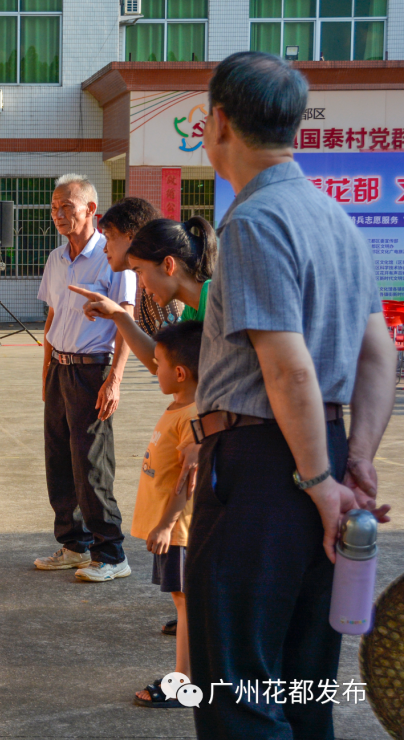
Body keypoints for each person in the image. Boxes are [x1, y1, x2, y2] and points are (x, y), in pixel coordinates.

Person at [186, 51, 396, 739]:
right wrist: (352, 463)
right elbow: (378, 354)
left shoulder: (253, 222)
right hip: (321, 454)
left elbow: (289, 369)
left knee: (241, 688)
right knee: (305, 682)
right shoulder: (337, 221)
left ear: (218, 122)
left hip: (263, 466)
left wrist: (314, 480)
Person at [33, 174, 137, 582]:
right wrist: (46, 369)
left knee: (92, 463)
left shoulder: (112, 256)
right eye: (55, 207)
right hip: (60, 368)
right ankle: (74, 545)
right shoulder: (56, 259)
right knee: (59, 460)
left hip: (93, 369)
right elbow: (53, 316)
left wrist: (115, 379)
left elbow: (125, 320)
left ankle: (111, 553)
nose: (59, 214)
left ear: (91, 209)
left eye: (67, 207)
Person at [130, 321, 201, 709]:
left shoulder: (192, 415)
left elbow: (188, 482)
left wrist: (166, 524)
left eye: (156, 364)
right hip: (172, 529)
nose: (152, 370)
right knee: (183, 601)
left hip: (179, 531)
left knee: (185, 601)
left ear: (179, 373)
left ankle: (185, 681)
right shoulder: (179, 406)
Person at [71, 217, 216, 375]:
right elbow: (162, 364)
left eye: (140, 272)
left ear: (168, 265)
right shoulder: (191, 311)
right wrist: (118, 315)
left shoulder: (218, 301)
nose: (140, 284)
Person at [98, 198, 181, 336]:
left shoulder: (159, 282)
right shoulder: (155, 276)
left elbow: (173, 354)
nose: (105, 249)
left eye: (108, 238)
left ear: (130, 236)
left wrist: (118, 316)